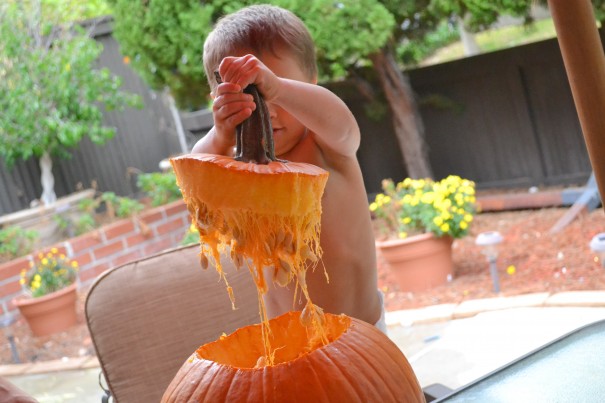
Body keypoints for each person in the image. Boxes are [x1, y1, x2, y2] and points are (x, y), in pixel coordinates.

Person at [192, 4, 385, 332]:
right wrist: (221, 134)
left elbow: (345, 127)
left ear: (310, 84)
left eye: (273, 89)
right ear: (218, 98)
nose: (266, 110)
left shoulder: (326, 145)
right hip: (287, 346)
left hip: (361, 334)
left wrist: (277, 88)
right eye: (248, 94)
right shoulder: (239, 167)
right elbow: (196, 179)